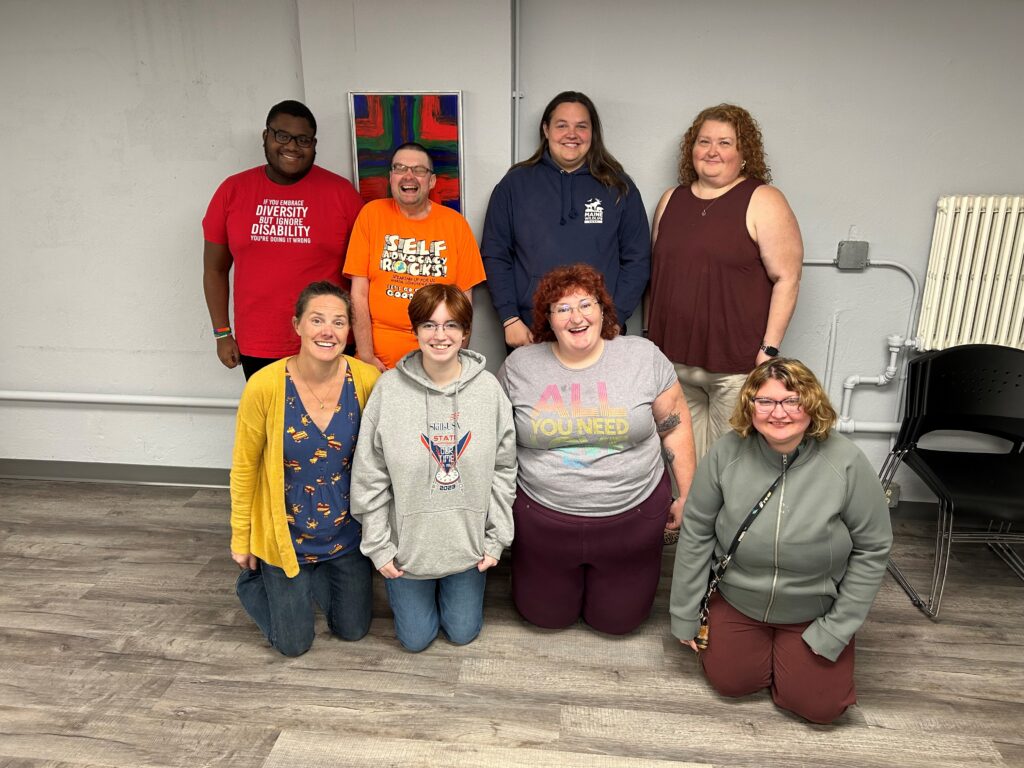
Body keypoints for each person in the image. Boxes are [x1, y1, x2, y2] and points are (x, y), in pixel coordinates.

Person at [668, 358, 892, 723]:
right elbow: (697, 531)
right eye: (766, 401)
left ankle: (796, 661)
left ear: (812, 403)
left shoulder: (847, 462)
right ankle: (763, 653)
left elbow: (874, 548)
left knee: (820, 709)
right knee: (731, 683)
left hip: (812, 608)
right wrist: (684, 612)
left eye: (792, 400)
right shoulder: (726, 452)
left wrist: (837, 628)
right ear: (749, 406)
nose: (779, 413)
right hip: (739, 598)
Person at [498, 264, 695, 634]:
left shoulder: (642, 357)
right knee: (544, 618)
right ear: (548, 320)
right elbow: (498, 444)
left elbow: (675, 427)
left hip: (631, 522)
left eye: (586, 304)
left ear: (603, 310)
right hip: (544, 523)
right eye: (562, 308)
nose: (577, 317)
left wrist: (686, 494)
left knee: (619, 622)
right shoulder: (519, 367)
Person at [351, 284, 516, 652]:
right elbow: (369, 474)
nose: (440, 336)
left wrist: (496, 538)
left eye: (451, 325)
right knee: (415, 640)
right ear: (415, 331)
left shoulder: (488, 390)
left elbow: (505, 470)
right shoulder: (388, 390)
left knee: (462, 633)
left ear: (465, 332)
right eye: (429, 325)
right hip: (408, 550)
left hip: (468, 550)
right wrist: (379, 546)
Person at [229, 281, 381, 656]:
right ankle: (258, 580)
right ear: (297, 325)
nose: (327, 331)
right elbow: (244, 467)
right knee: (293, 645)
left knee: (354, 631)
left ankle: (317, 580)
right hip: (288, 536)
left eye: (339, 322)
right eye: (317, 320)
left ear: (350, 330)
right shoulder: (264, 386)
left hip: (347, 534)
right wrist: (241, 537)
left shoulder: (367, 380)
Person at [646, 103, 803, 458]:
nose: (712, 151)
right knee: (678, 467)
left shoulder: (764, 199)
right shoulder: (671, 200)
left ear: (744, 153)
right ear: (692, 150)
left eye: (725, 143)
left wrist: (769, 350)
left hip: (735, 367)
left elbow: (787, 277)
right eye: (704, 142)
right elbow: (656, 277)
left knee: (729, 466)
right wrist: (648, 341)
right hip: (672, 364)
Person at [203, 100, 365, 380]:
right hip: (259, 345)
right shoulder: (232, 191)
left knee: (333, 423)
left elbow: (364, 277)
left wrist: (363, 342)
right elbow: (215, 269)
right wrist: (222, 333)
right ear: (266, 136)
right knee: (272, 423)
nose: (292, 146)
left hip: (329, 341)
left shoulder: (342, 194)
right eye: (282, 136)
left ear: (314, 144)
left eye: (303, 140)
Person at [482, 91, 650, 348]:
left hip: (598, 333)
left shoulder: (618, 187)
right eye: (562, 125)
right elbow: (495, 255)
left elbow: (637, 260)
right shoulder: (514, 185)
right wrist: (509, 318)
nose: (572, 134)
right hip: (531, 331)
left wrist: (615, 319)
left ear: (592, 133)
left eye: (581, 126)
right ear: (546, 130)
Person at [343, 142, 486, 371]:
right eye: (400, 168)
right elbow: (358, 295)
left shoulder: (455, 224)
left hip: (436, 359)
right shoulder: (371, 215)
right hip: (377, 361)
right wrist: (367, 357)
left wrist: (450, 360)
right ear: (390, 177)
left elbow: (464, 304)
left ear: (432, 181)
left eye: (419, 170)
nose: (408, 176)